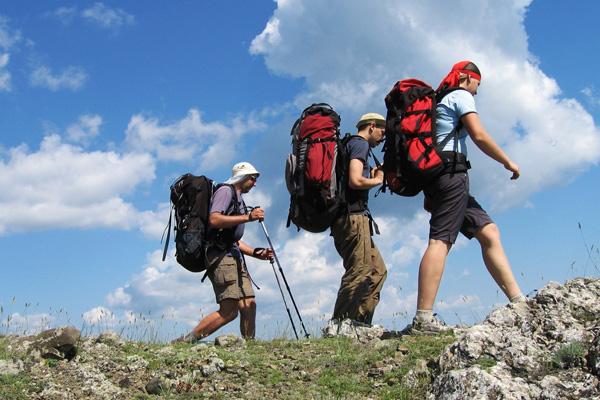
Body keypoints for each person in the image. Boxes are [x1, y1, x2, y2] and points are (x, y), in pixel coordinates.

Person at [407, 60, 525, 335]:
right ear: (464, 78)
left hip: (441, 178)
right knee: (440, 240)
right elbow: (479, 135)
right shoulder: (459, 95)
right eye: (476, 85)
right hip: (451, 176)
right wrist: (508, 162)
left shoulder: (439, 102)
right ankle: (423, 319)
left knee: (489, 232)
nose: (477, 92)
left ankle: (519, 302)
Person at [174, 162, 273, 342]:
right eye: (253, 178)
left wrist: (256, 253)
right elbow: (214, 219)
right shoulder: (225, 192)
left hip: (233, 255)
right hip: (221, 257)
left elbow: (232, 239)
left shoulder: (238, 197)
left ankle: (249, 347)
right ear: (242, 177)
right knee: (229, 311)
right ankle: (186, 341)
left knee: (249, 303)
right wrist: (249, 217)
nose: (255, 183)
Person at [328, 113, 388, 327]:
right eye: (383, 131)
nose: (383, 137)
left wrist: (371, 177)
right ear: (372, 126)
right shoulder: (360, 144)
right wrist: (378, 179)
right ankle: (339, 325)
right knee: (360, 269)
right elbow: (355, 180)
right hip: (353, 217)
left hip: (346, 217)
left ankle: (359, 323)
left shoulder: (349, 144)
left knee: (378, 270)